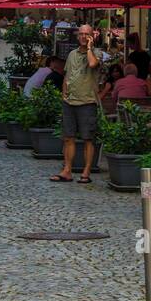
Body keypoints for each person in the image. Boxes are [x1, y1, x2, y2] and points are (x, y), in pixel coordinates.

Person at [51, 23, 101, 185]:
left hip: (87, 101)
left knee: (88, 138)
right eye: (81, 34)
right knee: (68, 137)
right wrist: (64, 92)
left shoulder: (96, 53)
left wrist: (89, 48)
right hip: (70, 101)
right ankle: (67, 170)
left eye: (87, 34)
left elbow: (93, 64)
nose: (83, 37)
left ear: (93, 36)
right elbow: (67, 74)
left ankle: (86, 171)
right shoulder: (72, 54)